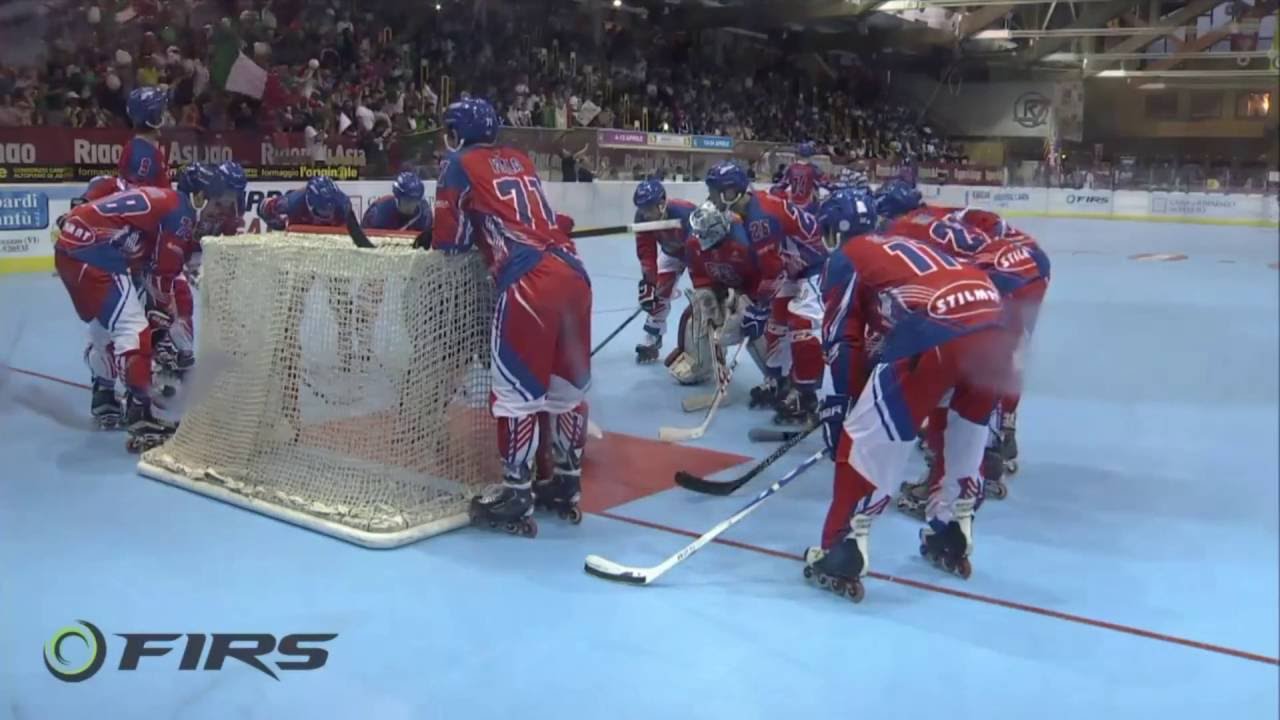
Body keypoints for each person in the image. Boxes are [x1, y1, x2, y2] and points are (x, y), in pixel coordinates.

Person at [806, 188, 1014, 602]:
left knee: (864, 440)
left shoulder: (844, 259)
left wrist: (839, 407)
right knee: (963, 433)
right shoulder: (903, 242)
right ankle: (952, 528)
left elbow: (842, 340)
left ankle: (843, 545)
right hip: (994, 322)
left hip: (937, 330)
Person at [431, 97, 592, 537]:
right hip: (574, 272)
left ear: (458, 132)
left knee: (516, 395)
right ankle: (566, 483)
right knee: (565, 394)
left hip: (528, 282)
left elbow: (451, 242)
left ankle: (517, 492)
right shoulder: (520, 158)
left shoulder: (458, 163)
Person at [875, 180, 1050, 502]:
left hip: (1000, 275)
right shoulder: (936, 215)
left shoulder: (898, 233)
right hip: (1031, 266)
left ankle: (955, 471)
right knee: (1004, 356)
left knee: (951, 369)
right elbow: (990, 225)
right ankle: (1000, 436)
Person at [55, 164, 231, 452]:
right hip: (97, 256)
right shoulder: (182, 213)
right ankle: (143, 416)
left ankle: (104, 398)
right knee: (133, 332)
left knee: (105, 333)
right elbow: (162, 276)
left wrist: (157, 312)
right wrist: (160, 322)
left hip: (70, 251)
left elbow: (148, 266)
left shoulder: (165, 201)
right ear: (200, 195)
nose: (219, 209)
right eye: (216, 200)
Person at [705, 160, 827, 426]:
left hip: (814, 268)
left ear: (732, 192)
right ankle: (777, 380)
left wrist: (759, 306)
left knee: (802, 325)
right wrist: (762, 308)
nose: (712, 198)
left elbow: (772, 270)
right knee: (776, 325)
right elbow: (773, 266)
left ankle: (806, 395)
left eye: (716, 192)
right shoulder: (751, 209)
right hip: (793, 268)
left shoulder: (760, 219)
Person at [630, 178, 696, 366]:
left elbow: (701, 247)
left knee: (706, 298)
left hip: (696, 255)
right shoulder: (641, 217)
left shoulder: (686, 213)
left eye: (649, 208)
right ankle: (653, 336)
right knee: (657, 294)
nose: (645, 214)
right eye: (641, 209)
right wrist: (649, 282)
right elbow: (646, 251)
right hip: (671, 253)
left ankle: (714, 342)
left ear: (662, 203)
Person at [119, 86, 171, 188]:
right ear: (154, 117)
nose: (166, 114)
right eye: (161, 112)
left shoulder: (140, 148)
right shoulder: (143, 155)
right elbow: (139, 197)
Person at [362, 171, 432, 234]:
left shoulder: (424, 214)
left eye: (415, 201)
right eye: (407, 201)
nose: (411, 206)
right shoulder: (379, 212)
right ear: (397, 198)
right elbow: (366, 240)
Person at [780, 142, 829, 214]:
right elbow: (826, 184)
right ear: (811, 155)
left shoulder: (791, 168)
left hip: (793, 206)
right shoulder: (814, 169)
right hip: (810, 207)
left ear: (798, 155)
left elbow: (780, 186)